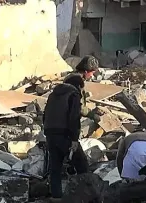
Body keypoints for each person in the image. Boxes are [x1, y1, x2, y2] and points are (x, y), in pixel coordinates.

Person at [43, 73, 89, 202]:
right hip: (65, 135)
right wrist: (74, 139)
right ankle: (84, 195)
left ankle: (56, 197)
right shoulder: (74, 94)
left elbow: (45, 115)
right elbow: (74, 118)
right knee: (82, 165)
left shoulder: (53, 95)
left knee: (55, 168)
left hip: (50, 134)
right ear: (79, 86)